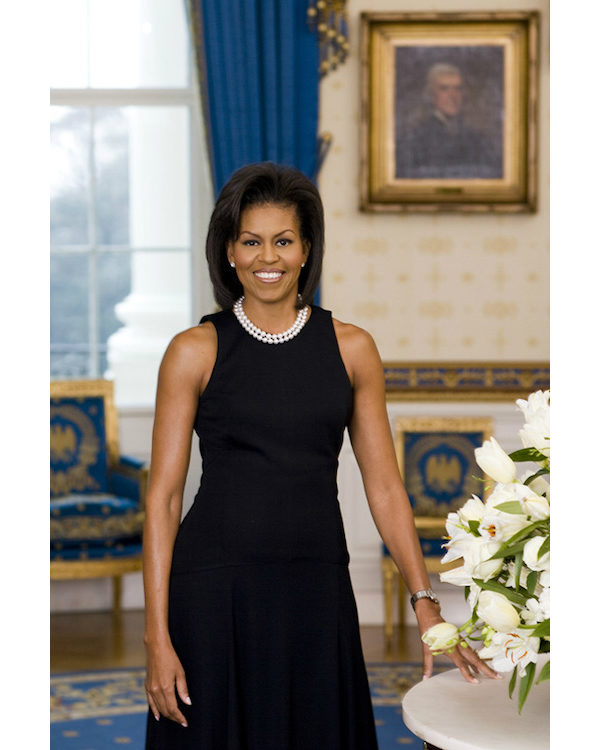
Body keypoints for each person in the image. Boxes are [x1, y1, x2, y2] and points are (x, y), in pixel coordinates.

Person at [142, 162, 500, 749]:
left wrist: (426, 604)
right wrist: (157, 636)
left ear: (307, 249)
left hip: (315, 587)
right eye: (251, 242)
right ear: (229, 251)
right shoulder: (193, 351)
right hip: (213, 593)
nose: (268, 257)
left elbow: (384, 487)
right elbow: (164, 497)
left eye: (283, 241)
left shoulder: (353, 348)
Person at [396, 62, 502, 179]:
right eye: (444, 89)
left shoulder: (477, 138)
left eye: (457, 89)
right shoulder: (414, 138)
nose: (453, 96)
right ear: (431, 94)